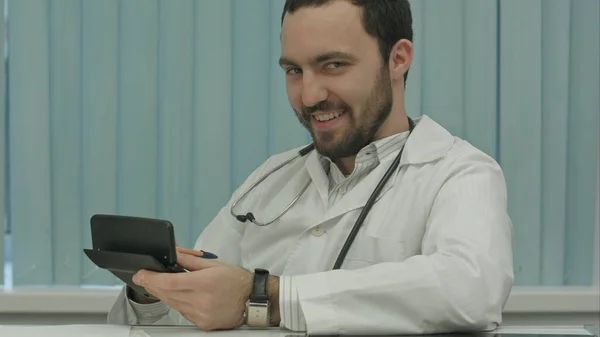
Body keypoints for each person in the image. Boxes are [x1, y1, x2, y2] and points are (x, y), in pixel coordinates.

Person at [107, 0, 514, 334]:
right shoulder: (270, 177)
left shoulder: (459, 172)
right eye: (294, 71)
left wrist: (269, 296)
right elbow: (195, 314)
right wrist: (153, 291)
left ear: (398, 59)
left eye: (333, 65)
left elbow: (469, 289)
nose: (309, 95)